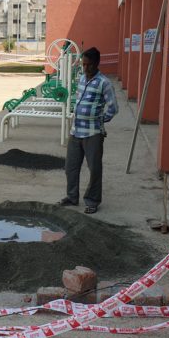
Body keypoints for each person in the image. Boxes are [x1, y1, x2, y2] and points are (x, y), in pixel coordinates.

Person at [58, 47, 118, 213]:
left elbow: (113, 108)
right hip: (76, 131)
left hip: (93, 133)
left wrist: (100, 119)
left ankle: (92, 201)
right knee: (70, 167)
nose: (85, 68)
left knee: (94, 169)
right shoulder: (82, 79)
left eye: (88, 65)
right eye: (83, 65)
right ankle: (71, 197)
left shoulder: (104, 83)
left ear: (97, 63)